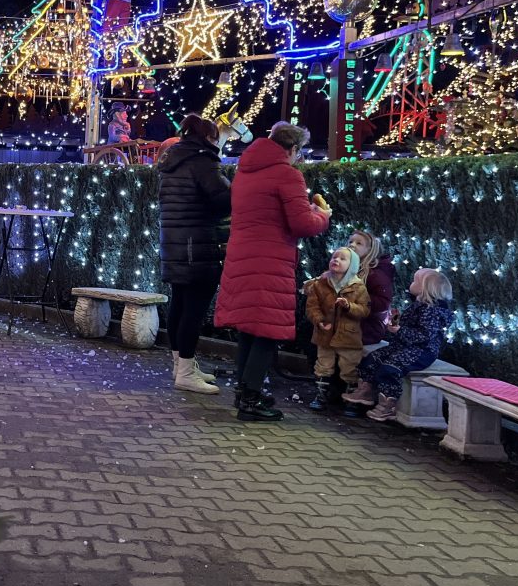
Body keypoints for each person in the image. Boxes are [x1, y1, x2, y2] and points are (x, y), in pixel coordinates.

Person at [214, 122, 331, 421]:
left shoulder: (244, 172)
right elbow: (302, 224)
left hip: (241, 256)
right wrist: (322, 215)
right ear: (292, 149)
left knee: (248, 332)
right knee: (265, 333)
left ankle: (245, 391)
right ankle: (251, 400)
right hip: (270, 260)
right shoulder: (287, 175)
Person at [157, 114, 231, 394]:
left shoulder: (172, 161)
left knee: (180, 303)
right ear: (208, 137)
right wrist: (236, 189)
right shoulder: (202, 162)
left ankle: (181, 364)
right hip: (197, 243)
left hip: (175, 243)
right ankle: (186, 371)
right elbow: (222, 202)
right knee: (194, 309)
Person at [343, 268, 455, 421]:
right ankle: (366, 391)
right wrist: (396, 326)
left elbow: (423, 336)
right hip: (403, 345)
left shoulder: (432, 311)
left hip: (421, 351)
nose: (411, 283)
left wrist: (400, 331)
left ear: (426, 288)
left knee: (390, 369)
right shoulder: (418, 305)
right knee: (372, 358)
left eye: (416, 281)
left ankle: (388, 405)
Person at [303, 247, 370, 411]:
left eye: (342, 259)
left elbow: (364, 310)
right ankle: (321, 395)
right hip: (325, 334)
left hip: (348, 337)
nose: (336, 260)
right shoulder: (320, 284)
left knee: (350, 367)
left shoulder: (358, 287)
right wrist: (318, 321)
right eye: (334, 257)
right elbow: (312, 306)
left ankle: (351, 400)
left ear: (352, 265)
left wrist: (349, 306)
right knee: (323, 365)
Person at [339, 229, 395, 415]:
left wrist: (357, 301)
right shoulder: (344, 267)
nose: (352, 245)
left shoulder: (375, 274)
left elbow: (381, 303)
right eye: (351, 241)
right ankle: (331, 388)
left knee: (349, 348)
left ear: (371, 250)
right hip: (348, 321)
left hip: (367, 326)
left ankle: (355, 391)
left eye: (358, 243)